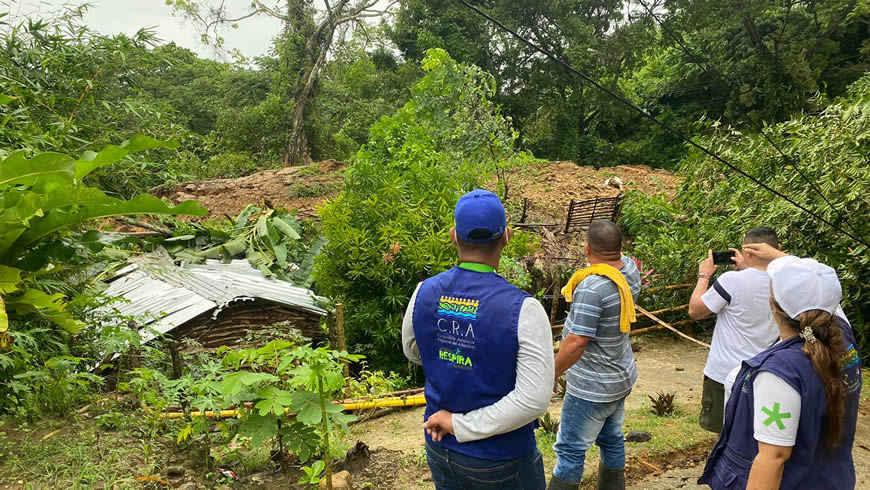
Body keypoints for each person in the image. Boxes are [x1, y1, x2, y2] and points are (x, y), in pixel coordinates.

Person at [401, 189, 554, 490]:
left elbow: (413, 349)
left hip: (439, 446)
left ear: (453, 236)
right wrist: (461, 424)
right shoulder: (524, 309)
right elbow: (533, 400)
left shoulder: (423, 291)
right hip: (501, 461)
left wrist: (453, 355)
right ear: (507, 237)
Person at [698, 242, 862, 489]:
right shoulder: (843, 336)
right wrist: (780, 257)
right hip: (831, 479)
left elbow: (773, 459)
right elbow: (818, 290)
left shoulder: (779, 373)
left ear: (773, 305)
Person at [549, 219, 641, 490]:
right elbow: (615, 255)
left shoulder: (593, 288)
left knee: (569, 449)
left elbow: (577, 341)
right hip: (619, 375)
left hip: (593, 386)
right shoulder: (630, 270)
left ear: (587, 248)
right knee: (611, 438)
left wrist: (552, 372)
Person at [688, 227, 782, 433]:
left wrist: (704, 275)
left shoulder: (731, 281)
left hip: (725, 373)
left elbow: (696, 311)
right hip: (767, 373)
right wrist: (747, 269)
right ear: (778, 249)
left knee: (724, 435)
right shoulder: (787, 282)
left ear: (747, 252)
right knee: (757, 433)